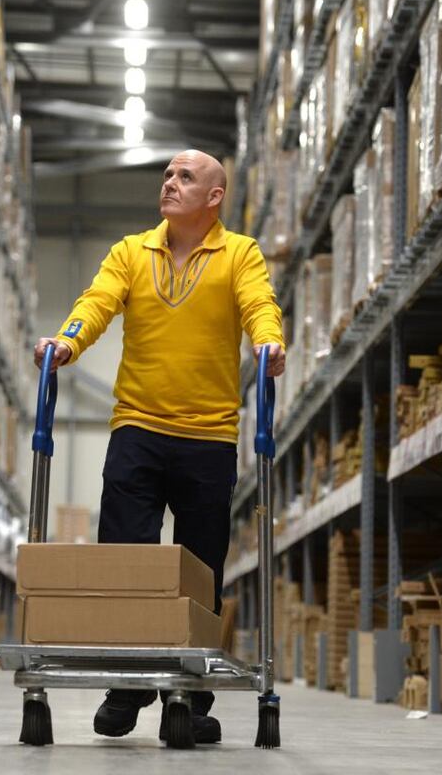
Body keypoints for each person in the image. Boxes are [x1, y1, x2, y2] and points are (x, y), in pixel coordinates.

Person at [34, 149, 285, 744]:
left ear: (214, 197)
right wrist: (67, 343)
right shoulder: (131, 251)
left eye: (185, 177)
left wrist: (270, 343)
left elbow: (259, 305)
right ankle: (128, 684)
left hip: (209, 435)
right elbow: (96, 303)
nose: (169, 184)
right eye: (167, 175)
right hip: (137, 428)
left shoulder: (239, 254)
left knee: (201, 570)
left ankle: (192, 696)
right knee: (127, 557)